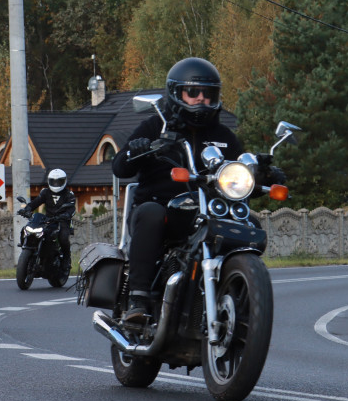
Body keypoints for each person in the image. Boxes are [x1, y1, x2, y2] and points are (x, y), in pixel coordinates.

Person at [110, 57, 285, 323]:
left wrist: (265, 175)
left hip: (210, 210)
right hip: (166, 210)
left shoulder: (225, 137)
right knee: (150, 214)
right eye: (193, 92)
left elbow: (239, 173)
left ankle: (241, 292)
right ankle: (139, 298)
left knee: (250, 222)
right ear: (176, 93)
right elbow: (120, 168)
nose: (201, 98)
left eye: (208, 93)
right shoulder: (157, 126)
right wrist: (137, 149)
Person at [17, 168, 76, 274]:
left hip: (62, 220)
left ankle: (66, 259)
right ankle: (27, 248)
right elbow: (36, 202)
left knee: (63, 237)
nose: (56, 184)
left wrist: (66, 215)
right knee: (27, 229)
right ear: (49, 181)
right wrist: (27, 209)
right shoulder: (45, 192)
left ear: (64, 181)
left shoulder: (69, 194)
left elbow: (72, 208)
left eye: (59, 181)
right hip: (47, 219)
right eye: (54, 181)